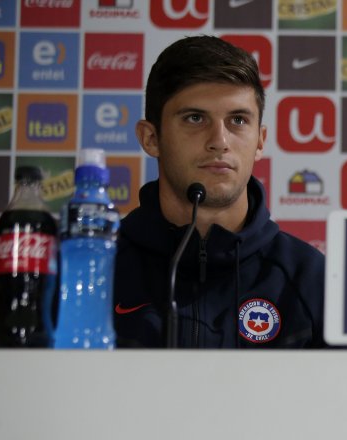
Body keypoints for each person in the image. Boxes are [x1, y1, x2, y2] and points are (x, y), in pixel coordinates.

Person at [114, 36, 324, 348]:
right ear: (151, 138)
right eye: (195, 118)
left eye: (238, 120)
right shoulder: (95, 268)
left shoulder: (309, 277)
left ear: (260, 141)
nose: (219, 141)